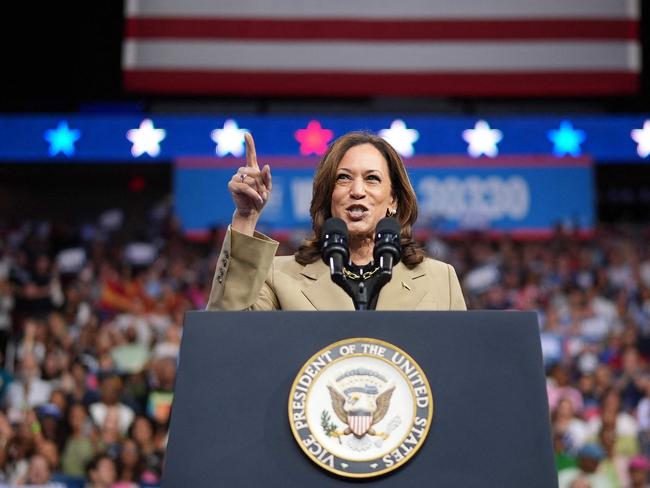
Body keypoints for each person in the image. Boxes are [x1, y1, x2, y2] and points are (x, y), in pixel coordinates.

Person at [206, 131, 466, 311]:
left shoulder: (439, 279)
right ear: (328, 196)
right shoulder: (280, 276)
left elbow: (460, 367)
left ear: (393, 200)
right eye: (343, 178)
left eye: (372, 178)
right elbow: (226, 334)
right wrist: (246, 217)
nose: (357, 190)